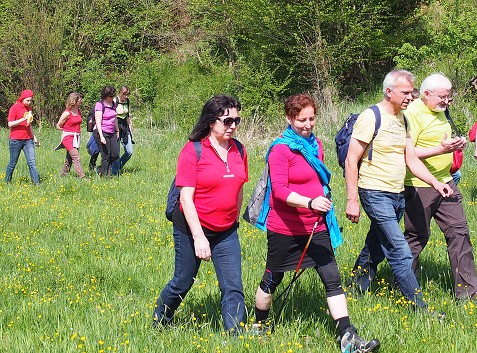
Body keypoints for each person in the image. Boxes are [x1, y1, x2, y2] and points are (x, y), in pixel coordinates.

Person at [253, 93, 380, 352]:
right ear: (289, 118)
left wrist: (321, 198)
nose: (308, 124)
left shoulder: (316, 145)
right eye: (302, 120)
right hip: (285, 228)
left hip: (316, 225)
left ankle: (348, 337)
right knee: (272, 278)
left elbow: (318, 179)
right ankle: (259, 325)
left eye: (312, 118)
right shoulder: (280, 149)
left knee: (332, 278)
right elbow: (278, 190)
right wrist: (309, 202)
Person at [345, 70, 453, 313]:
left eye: (411, 92)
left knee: (375, 246)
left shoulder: (402, 119)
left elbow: (411, 160)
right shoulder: (371, 116)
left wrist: (436, 183)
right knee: (400, 251)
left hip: (397, 193)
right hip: (374, 192)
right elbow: (352, 160)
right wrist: (352, 200)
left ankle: (354, 288)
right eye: (405, 92)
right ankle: (420, 308)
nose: (409, 97)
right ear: (389, 91)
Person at [153, 95, 248, 334]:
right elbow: (186, 198)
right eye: (227, 121)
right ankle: (161, 318)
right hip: (192, 228)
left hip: (226, 230)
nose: (233, 126)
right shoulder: (192, 151)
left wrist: (234, 221)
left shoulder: (240, 150)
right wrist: (199, 237)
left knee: (233, 286)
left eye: (237, 120)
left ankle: (236, 336)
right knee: (182, 282)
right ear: (210, 121)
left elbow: (239, 188)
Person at [403, 73, 477, 301]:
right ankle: (406, 291)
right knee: (416, 237)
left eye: (449, 96)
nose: (446, 101)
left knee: (460, 234)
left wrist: (455, 144)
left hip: (447, 182)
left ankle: (469, 293)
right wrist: (441, 150)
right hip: (419, 185)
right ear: (426, 94)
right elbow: (407, 153)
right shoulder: (411, 115)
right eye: (442, 96)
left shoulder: (441, 112)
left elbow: (439, 143)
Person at [5, 89, 41, 184]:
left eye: (31, 100)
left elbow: (29, 125)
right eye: (27, 100)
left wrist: (34, 138)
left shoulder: (29, 109)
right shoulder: (14, 108)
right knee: (13, 163)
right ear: (22, 99)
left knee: (32, 163)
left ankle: (37, 184)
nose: (29, 102)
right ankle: (7, 182)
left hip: (28, 140)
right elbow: (10, 124)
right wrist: (22, 119)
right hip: (15, 140)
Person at [56, 92, 86, 178]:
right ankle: (82, 177)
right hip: (68, 138)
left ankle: (63, 175)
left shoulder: (79, 111)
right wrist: (67, 130)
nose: (81, 100)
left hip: (76, 138)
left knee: (69, 159)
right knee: (76, 157)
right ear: (74, 101)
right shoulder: (67, 113)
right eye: (80, 99)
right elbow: (58, 126)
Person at [92, 86, 119, 176]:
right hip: (101, 131)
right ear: (106, 96)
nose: (112, 98)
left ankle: (100, 169)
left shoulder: (113, 104)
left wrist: (117, 130)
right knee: (106, 155)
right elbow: (98, 122)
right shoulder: (100, 105)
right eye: (111, 96)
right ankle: (104, 175)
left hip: (111, 132)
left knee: (115, 154)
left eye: (113, 96)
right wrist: (101, 136)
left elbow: (114, 118)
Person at [111, 86, 134, 175]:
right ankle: (115, 172)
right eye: (125, 95)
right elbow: (111, 115)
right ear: (121, 93)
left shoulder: (127, 101)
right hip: (115, 127)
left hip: (125, 127)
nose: (127, 97)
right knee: (117, 152)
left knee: (129, 151)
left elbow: (128, 116)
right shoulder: (114, 101)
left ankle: (116, 167)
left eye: (128, 95)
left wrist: (130, 130)